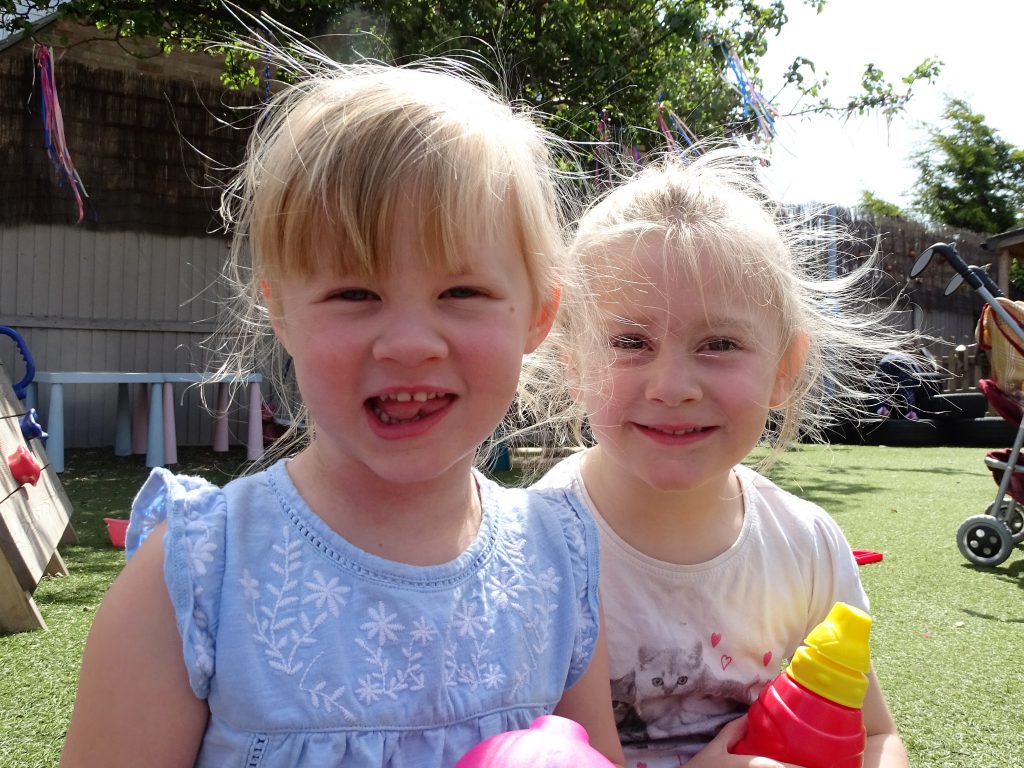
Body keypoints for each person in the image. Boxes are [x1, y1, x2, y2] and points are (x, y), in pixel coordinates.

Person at [60, 50, 625, 768]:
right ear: (283, 314)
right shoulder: (202, 575)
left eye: (463, 293)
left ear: (539, 315)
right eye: (355, 293)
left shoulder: (557, 561)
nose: (411, 344)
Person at [531, 150, 911, 768]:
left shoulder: (805, 542)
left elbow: (876, 736)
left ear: (784, 369)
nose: (672, 385)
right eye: (631, 342)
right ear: (574, 363)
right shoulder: (540, 545)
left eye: (720, 344)